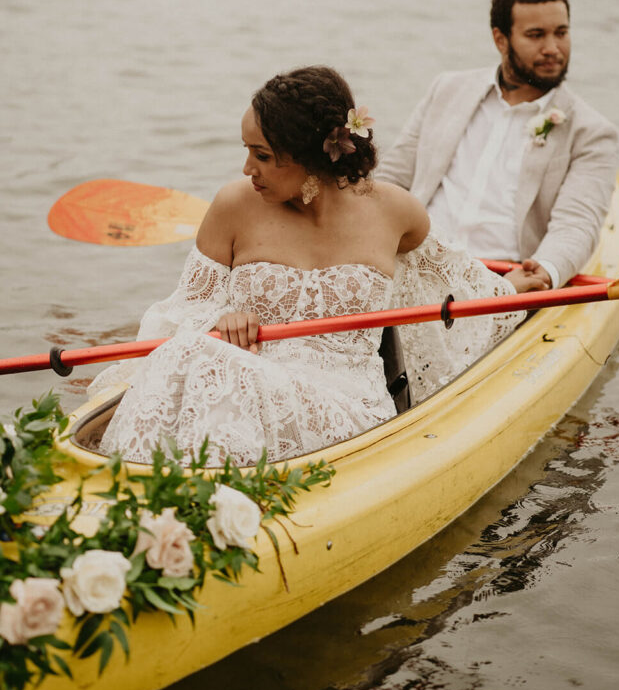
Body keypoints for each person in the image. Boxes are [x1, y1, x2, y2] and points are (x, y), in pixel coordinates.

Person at [93, 66, 546, 468]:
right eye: (247, 150)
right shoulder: (234, 205)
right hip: (243, 378)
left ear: (312, 156)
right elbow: (180, 314)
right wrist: (218, 320)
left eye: (263, 156)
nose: (247, 167)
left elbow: (456, 285)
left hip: (347, 405)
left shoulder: (395, 212)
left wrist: (512, 287)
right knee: (194, 354)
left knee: (216, 367)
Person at [376, 0, 619, 289]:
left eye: (561, 33)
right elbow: (392, 178)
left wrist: (543, 270)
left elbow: (577, 225)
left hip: (503, 280)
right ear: (500, 39)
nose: (552, 48)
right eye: (536, 35)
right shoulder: (447, 88)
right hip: (411, 263)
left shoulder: (593, 133)